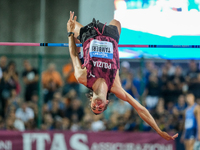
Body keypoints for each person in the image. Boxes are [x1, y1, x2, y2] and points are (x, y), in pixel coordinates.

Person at [67, 11, 178, 140]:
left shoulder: (82, 77)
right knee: (117, 23)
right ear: (107, 102)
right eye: (100, 108)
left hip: (90, 36)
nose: (97, 105)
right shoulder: (115, 86)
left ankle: (80, 47)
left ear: (91, 100)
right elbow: (140, 109)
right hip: (110, 36)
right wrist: (158, 130)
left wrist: (70, 34)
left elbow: (73, 55)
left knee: (71, 26)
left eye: (94, 107)